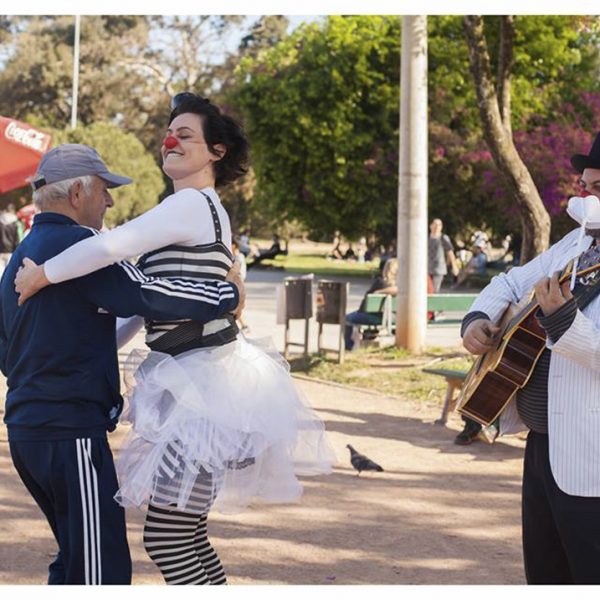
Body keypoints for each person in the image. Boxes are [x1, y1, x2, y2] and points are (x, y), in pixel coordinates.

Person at [15, 94, 335, 585]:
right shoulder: (191, 208)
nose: (171, 140)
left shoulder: (190, 203)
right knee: (183, 534)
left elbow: (109, 246)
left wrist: (43, 276)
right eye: (171, 132)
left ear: (216, 151)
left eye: (186, 135)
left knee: (169, 537)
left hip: (204, 389)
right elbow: (145, 305)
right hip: (197, 382)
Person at [1, 143, 243, 585]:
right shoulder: (79, 245)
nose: (110, 201)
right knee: (101, 574)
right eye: (104, 190)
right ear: (77, 193)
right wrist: (228, 295)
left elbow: (9, 351)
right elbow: (145, 293)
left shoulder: (24, 253)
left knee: (75, 562)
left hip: (27, 432)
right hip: (69, 433)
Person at [460, 131, 600, 584]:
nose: (584, 196)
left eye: (596, 189)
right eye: (585, 186)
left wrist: (561, 319)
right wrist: (478, 319)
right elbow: (510, 284)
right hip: (542, 445)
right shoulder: (577, 244)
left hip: (591, 458)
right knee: (545, 576)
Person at [344, 258, 398, 350]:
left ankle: (348, 346)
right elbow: (397, 290)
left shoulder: (380, 283)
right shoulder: (401, 286)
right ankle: (368, 340)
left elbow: (365, 304)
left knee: (347, 318)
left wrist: (378, 292)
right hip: (392, 318)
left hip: (373, 318)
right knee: (368, 316)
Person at [428, 218, 458, 293]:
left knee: (434, 290)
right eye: (435, 224)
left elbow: (450, 252)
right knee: (427, 289)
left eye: (439, 225)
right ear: (431, 226)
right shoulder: (426, 238)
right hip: (427, 268)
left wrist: (454, 266)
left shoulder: (443, 238)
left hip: (439, 269)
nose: (437, 226)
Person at [0, 205, 21, 276]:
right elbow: (17, 239)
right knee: (9, 274)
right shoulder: (15, 224)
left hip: (1, 251)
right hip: (11, 252)